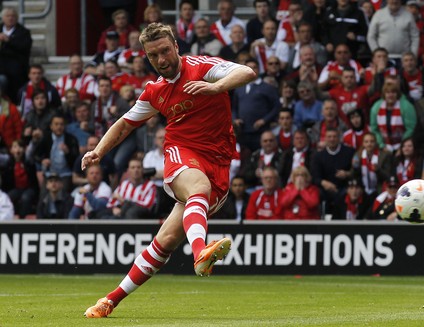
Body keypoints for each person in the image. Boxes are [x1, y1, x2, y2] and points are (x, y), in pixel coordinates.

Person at [82, 23, 256, 318]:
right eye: (153, 55)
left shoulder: (202, 67)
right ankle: (201, 250)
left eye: (164, 51)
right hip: (182, 153)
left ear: (176, 46)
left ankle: (109, 300)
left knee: (165, 241)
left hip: (219, 161)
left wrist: (215, 87)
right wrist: (99, 150)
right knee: (198, 188)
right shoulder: (155, 92)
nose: (161, 59)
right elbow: (125, 123)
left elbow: (247, 72)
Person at [232, 58, 280, 152]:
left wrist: (264, 120)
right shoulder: (239, 88)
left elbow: (276, 106)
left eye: (255, 67)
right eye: (249, 67)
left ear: (259, 69)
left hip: (260, 131)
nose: (252, 70)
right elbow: (234, 107)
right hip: (243, 131)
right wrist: (235, 119)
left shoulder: (267, 87)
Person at [310, 128, 355, 215]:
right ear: (325, 139)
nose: (332, 139)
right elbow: (315, 177)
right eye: (329, 137)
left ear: (339, 138)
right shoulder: (318, 156)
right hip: (325, 188)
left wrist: (347, 174)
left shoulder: (349, 152)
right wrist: (324, 183)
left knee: (344, 194)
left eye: (334, 137)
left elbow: (356, 171)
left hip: (344, 187)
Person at [369, 83, 417, 153]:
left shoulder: (406, 106)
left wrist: (402, 146)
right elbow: (374, 129)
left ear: (397, 94)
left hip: (404, 146)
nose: (390, 95)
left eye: (393, 92)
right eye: (388, 92)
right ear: (384, 94)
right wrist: (382, 145)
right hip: (383, 146)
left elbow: (411, 128)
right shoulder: (376, 107)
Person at [0, 7, 32, 103]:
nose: (10, 18)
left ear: (17, 18)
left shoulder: (23, 32)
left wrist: (8, 41)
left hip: (16, 70)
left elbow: (24, 48)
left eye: (13, 16)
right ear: (3, 18)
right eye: (8, 16)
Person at [0, 140, 37, 218]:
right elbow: (6, 181)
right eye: (15, 147)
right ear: (11, 150)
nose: (18, 149)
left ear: (23, 149)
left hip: (28, 188)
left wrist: (26, 168)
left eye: (20, 147)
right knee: (8, 197)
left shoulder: (28, 162)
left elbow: (33, 180)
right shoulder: (9, 164)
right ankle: (10, 216)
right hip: (16, 189)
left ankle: (22, 219)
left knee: (25, 198)